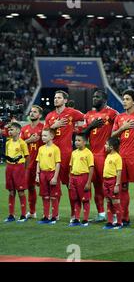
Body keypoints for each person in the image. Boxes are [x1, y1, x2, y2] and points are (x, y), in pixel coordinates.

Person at [44, 90, 84, 222]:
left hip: (66, 154)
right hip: (52, 154)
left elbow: (85, 119)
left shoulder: (72, 113)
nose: (56, 100)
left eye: (59, 98)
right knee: (53, 184)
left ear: (65, 100)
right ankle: (55, 214)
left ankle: (74, 214)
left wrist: (78, 128)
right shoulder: (50, 116)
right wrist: (53, 126)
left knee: (70, 185)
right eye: (55, 97)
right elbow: (44, 135)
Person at [111, 89, 134, 228]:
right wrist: (123, 128)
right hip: (121, 158)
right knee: (123, 187)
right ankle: (125, 218)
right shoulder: (119, 118)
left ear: (133, 101)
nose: (124, 101)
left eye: (127, 99)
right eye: (123, 99)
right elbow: (113, 135)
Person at [82, 89, 119, 222]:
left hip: (106, 156)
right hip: (92, 156)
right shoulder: (88, 115)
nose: (94, 99)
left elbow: (118, 132)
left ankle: (115, 215)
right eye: (93, 96)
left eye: (97, 97)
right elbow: (82, 135)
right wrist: (91, 126)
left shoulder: (112, 113)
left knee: (108, 187)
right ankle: (101, 214)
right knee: (97, 186)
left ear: (104, 99)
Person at [21, 105, 44, 220]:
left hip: (42, 164)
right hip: (28, 164)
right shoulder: (24, 129)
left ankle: (51, 214)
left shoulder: (44, 128)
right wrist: (29, 141)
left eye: (35, 112)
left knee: (46, 189)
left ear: (40, 115)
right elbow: (18, 145)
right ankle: (32, 212)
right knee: (30, 188)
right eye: (31, 111)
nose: (32, 113)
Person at [4, 122, 29, 223]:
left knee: (20, 191)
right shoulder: (8, 143)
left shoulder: (22, 143)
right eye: (9, 130)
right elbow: (7, 156)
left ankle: (23, 215)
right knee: (11, 191)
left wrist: (24, 169)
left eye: (12, 129)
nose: (10, 131)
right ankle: (11, 215)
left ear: (18, 131)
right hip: (9, 168)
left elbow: (27, 157)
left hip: (19, 168)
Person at [36, 129, 61, 225]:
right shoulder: (41, 148)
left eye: (45, 136)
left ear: (51, 137)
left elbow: (57, 163)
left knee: (53, 196)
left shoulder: (55, 149)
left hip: (52, 173)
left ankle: (54, 216)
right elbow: (38, 162)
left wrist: (55, 177)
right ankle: (45, 216)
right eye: (42, 135)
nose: (43, 137)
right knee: (45, 196)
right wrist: (37, 175)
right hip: (43, 174)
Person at [68, 134, 94, 227]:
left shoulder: (88, 153)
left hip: (83, 178)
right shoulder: (74, 153)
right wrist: (70, 179)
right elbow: (71, 167)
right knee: (75, 199)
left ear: (85, 142)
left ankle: (85, 219)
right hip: (74, 178)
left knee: (85, 199)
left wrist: (88, 182)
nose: (76, 142)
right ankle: (76, 218)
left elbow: (91, 168)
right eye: (75, 140)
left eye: (79, 140)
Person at [102, 137, 123, 230]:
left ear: (111, 147)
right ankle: (110, 222)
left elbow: (119, 172)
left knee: (116, 202)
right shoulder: (108, 156)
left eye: (106, 144)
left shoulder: (117, 157)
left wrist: (117, 184)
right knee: (108, 202)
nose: (104, 146)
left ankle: (119, 222)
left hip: (113, 181)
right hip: (106, 181)